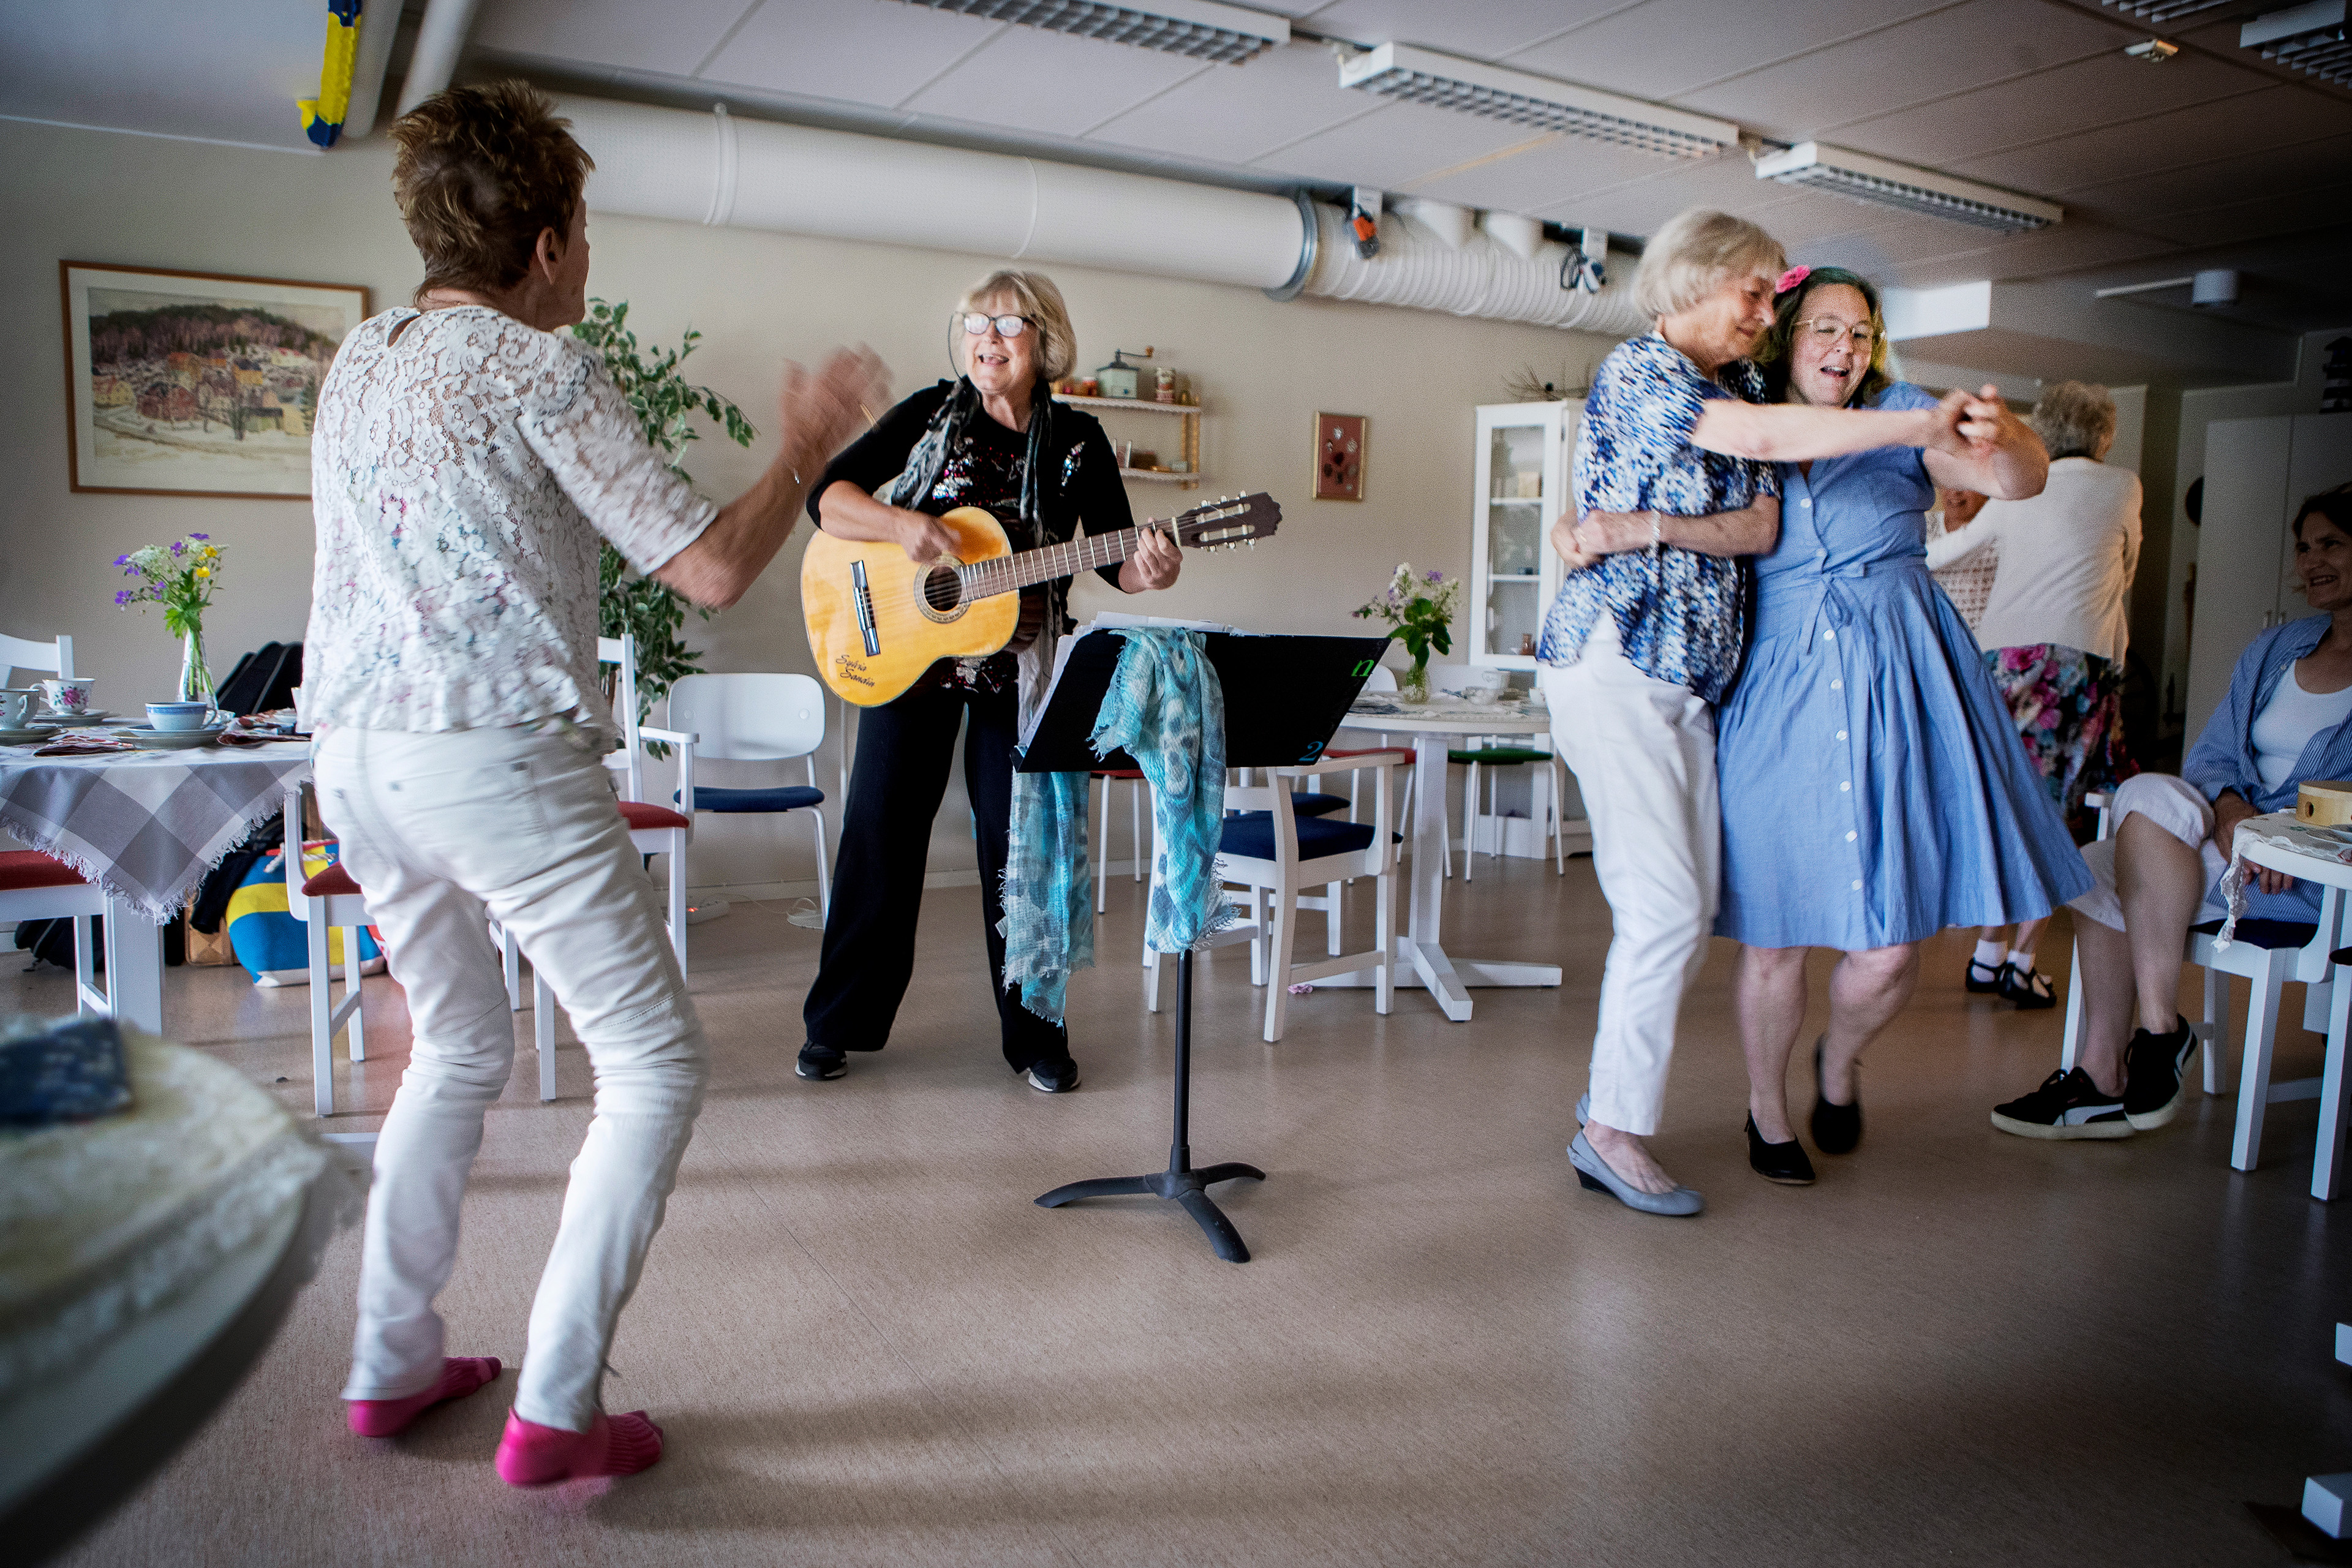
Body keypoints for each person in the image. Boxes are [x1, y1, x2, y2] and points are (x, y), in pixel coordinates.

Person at [308, 82, 885, 1484]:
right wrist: (805, 448)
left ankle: (389, 1362)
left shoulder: (361, 359)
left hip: (355, 756)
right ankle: (560, 1401)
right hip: (489, 748)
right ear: (553, 244)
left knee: (455, 1045)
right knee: (654, 1062)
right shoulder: (536, 365)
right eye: (591, 234)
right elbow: (707, 567)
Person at [1537, 216, 1991, 1217]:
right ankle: (1609, 1133)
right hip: (1619, 657)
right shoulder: (1645, 369)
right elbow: (1752, 450)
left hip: (1693, 684)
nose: (1766, 311)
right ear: (1694, 283)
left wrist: (1643, 525)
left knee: (1686, 909)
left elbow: (1760, 523)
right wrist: (1914, 424)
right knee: (1662, 912)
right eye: (1753, 291)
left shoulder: (1736, 384)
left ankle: (1611, 1107)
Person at [1709, 265, 2086, 1185]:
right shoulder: (1744, 419)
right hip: (1777, 689)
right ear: (1788, 334)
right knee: (1776, 933)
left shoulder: (1908, 412)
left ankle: (1839, 1061)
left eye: (1862, 334)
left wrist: (2011, 436)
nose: (1846, 348)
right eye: (1827, 329)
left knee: (1887, 947)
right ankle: (1766, 1112)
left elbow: (2016, 481)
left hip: (1900, 677)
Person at [797, 269, 1182, 1092]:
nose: (988, 339)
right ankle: (838, 1025)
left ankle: (1036, 1037)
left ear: (1047, 341)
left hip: (1021, 676)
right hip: (911, 660)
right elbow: (827, 502)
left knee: (1021, 856)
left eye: (1008, 325)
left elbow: (1117, 560)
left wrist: (1154, 566)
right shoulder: (932, 415)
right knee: (879, 837)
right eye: (976, 323)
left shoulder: (1078, 442)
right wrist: (903, 523)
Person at [1992, 487, 2352, 1137]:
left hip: (2300, 876)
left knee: (2097, 866)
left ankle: (2106, 1073)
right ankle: (2156, 1032)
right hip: (2228, 841)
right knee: (2144, 797)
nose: (2311, 561)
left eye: (2332, 544)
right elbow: (2212, 755)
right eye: (2304, 546)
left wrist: (2277, 840)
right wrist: (2232, 808)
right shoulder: (2278, 648)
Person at [1928, 380, 2143, 1006]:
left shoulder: (2018, 479)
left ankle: (1990, 953)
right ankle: (2018, 960)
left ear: (2043, 429)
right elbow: (2125, 567)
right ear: (2103, 434)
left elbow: (1956, 548)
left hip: (2004, 660)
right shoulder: (2121, 486)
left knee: (2010, 808)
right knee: (2056, 819)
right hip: (2075, 663)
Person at [1926, 484, 1995, 630]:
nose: (1955, 492)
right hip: (1938, 637)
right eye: (1948, 484)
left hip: (1986, 639)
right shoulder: (1923, 526)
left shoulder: (1998, 528)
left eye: (1964, 485)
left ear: (1984, 491)